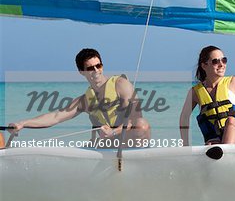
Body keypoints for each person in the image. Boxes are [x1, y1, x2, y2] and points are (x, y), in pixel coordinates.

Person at [8, 48, 150, 146]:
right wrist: (23, 123)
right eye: (90, 68)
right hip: (109, 143)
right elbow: (55, 117)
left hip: (128, 139)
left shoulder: (121, 84)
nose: (96, 71)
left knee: (142, 124)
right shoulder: (84, 101)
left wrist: (113, 131)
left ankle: (142, 161)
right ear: (81, 72)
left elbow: (135, 118)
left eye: (98, 65)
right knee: (88, 144)